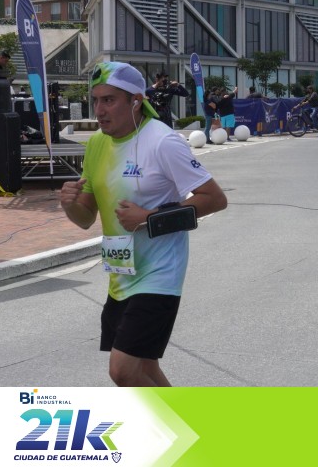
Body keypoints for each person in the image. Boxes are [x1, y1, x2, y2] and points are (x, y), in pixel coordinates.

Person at [59, 61, 227, 386]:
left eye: (109, 100)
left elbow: (215, 198)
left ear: (136, 101)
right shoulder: (96, 144)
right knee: (145, 369)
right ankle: (185, 419)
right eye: (96, 100)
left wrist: (149, 218)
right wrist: (70, 205)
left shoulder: (162, 141)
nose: (99, 110)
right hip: (121, 276)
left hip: (160, 274)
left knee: (122, 370)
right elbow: (85, 218)